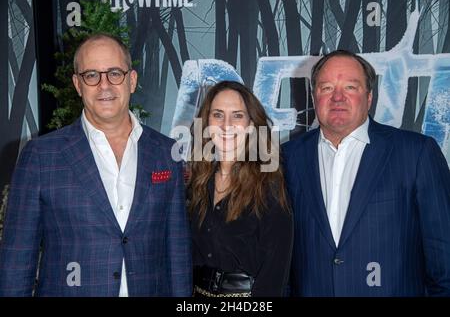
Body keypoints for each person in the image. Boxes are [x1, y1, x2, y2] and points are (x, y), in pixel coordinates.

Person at [0, 33, 192, 296]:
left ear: (132, 80)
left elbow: (178, 252)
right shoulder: (41, 156)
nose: (104, 85)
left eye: (115, 73)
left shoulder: (167, 152)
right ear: (78, 85)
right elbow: (17, 260)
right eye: (92, 75)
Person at [283, 50, 450, 296]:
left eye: (351, 87)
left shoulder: (416, 154)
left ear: (369, 97)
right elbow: (280, 256)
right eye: (326, 87)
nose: (337, 97)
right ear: (314, 96)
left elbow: (444, 257)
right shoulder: (288, 158)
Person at [187, 80, 293, 297]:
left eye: (237, 115)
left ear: (251, 125)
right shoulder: (196, 184)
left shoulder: (269, 185)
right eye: (217, 114)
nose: (226, 125)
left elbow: (276, 271)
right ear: (206, 123)